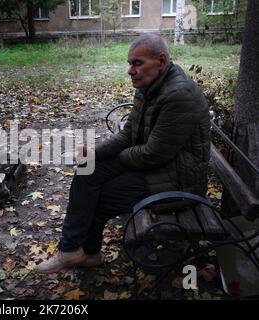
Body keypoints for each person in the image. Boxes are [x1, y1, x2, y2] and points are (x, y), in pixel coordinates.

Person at [35, 34, 211, 274]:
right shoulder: (149, 85)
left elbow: (152, 155)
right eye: (130, 63)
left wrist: (114, 159)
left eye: (137, 63)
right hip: (159, 166)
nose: (130, 70)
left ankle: (88, 252)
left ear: (161, 61)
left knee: (102, 196)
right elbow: (129, 134)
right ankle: (72, 251)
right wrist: (94, 153)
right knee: (88, 170)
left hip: (179, 179)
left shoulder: (179, 95)